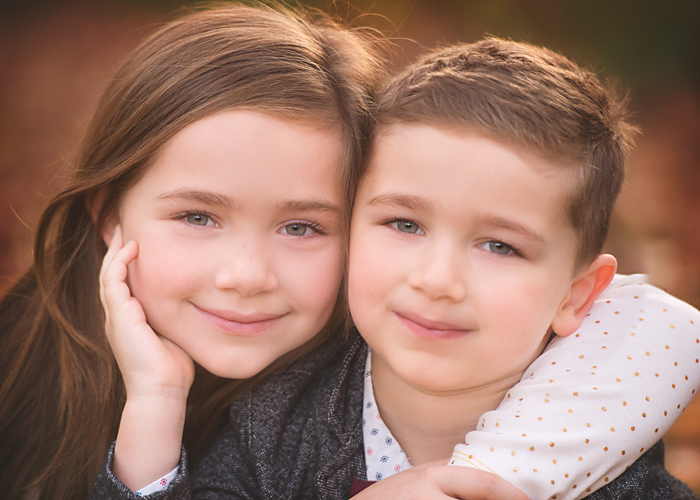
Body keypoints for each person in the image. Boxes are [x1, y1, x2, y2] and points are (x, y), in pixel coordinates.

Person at [91, 37, 700, 500]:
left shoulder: (606, 455)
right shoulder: (271, 427)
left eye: (500, 247)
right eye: (405, 225)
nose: (437, 280)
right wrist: (155, 404)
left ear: (575, 296)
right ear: (350, 231)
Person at [0, 4, 384, 499]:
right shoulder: (19, 368)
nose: (246, 276)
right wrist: (155, 398)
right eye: (198, 217)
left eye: (300, 227)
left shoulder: (372, 417)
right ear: (110, 215)